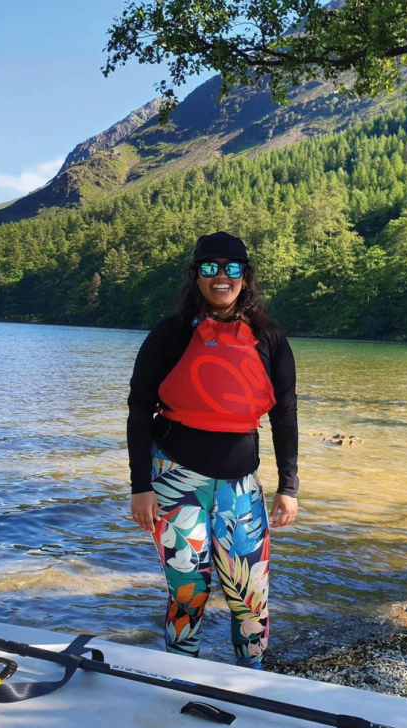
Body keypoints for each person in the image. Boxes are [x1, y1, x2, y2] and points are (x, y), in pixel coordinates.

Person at [127, 231, 299, 669]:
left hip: (241, 486)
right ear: (195, 276)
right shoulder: (169, 335)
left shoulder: (270, 339)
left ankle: (254, 678)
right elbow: (139, 409)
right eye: (210, 268)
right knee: (188, 593)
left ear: (246, 276)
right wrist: (140, 486)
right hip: (175, 481)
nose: (221, 276)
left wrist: (289, 486)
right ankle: (183, 677)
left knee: (251, 595)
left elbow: (285, 415)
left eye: (232, 268)